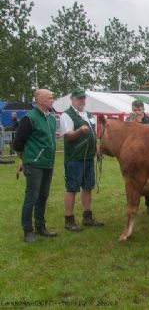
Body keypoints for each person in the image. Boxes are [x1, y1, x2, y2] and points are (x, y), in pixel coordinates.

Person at [13, 89, 58, 242]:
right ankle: (28, 231)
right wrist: (26, 158)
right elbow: (18, 143)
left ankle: (40, 227)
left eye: (52, 97)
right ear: (39, 100)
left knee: (43, 196)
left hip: (48, 163)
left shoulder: (51, 118)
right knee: (31, 197)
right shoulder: (30, 118)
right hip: (34, 164)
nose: (52, 99)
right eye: (49, 97)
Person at [60, 88, 104, 231]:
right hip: (74, 158)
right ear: (72, 99)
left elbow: (93, 136)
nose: (82, 101)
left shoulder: (90, 115)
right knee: (72, 188)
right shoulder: (67, 115)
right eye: (79, 98)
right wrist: (79, 131)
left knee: (88, 186)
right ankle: (69, 219)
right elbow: (68, 135)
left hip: (88, 157)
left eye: (83, 98)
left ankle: (87, 216)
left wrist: (97, 149)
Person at [126, 100, 149, 215]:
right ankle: (133, 205)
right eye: (135, 110)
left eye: (139, 110)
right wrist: (134, 122)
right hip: (132, 154)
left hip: (146, 153)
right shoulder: (128, 119)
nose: (137, 112)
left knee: (146, 180)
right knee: (132, 181)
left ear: (143, 109)